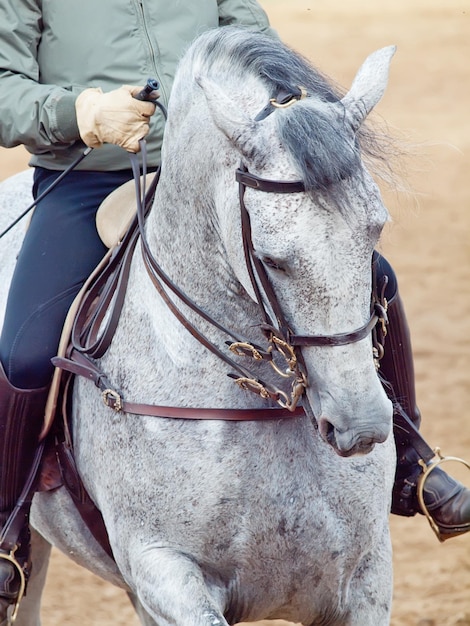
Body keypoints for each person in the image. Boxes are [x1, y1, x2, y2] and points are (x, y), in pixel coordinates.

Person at [0, 0, 468, 620]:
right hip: (90, 173)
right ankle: (8, 530)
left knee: (372, 276)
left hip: (232, 165)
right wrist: (82, 111)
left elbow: (254, 43)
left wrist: (284, 114)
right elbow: (6, 90)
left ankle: (411, 459)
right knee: (27, 351)